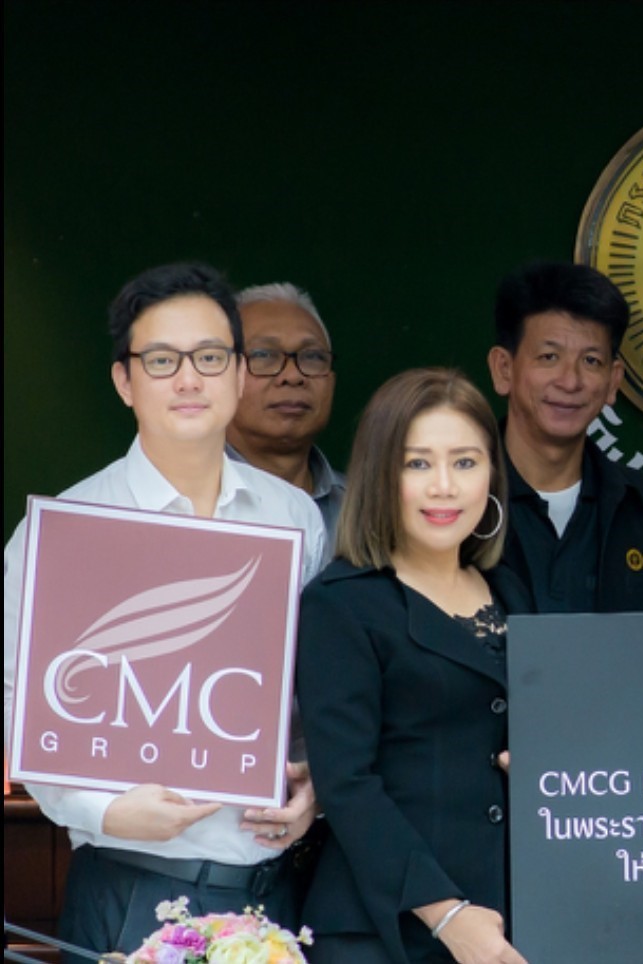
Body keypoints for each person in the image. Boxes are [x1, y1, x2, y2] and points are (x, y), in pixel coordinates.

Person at [1, 262, 328, 959]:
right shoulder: (66, 529)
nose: (188, 379)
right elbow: (15, 698)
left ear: (237, 374)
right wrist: (105, 810)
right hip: (127, 885)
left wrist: (316, 789)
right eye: (161, 360)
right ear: (125, 381)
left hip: (275, 891)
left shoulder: (294, 517)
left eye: (209, 357)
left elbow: (325, 686)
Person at [296, 368, 531, 964]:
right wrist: (446, 913)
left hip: (507, 922)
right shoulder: (340, 603)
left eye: (466, 462)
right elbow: (347, 783)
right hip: (387, 931)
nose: (444, 486)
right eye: (418, 463)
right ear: (381, 475)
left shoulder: (512, 592)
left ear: (492, 475)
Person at [486, 261, 643, 613]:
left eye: (591, 361)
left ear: (613, 381)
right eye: (549, 357)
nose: (570, 381)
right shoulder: (453, 501)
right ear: (503, 369)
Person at [226, 282, 345, 558]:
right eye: (263, 355)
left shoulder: (367, 510)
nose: (292, 376)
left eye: (312, 357)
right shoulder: (177, 503)